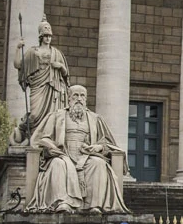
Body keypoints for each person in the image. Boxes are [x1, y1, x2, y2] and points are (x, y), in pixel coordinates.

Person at [29, 85, 129, 213]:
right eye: (75, 95)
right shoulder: (56, 116)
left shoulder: (95, 119)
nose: (79, 99)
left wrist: (98, 147)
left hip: (85, 156)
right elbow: (42, 139)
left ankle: (94, 206)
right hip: (63, 154)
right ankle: (63, 202)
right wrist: (53, 148)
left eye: (82, 96)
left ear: (86, 99)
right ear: (69, 98)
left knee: (98, 164)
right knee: (57, 164)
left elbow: (108, 143)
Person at [13, 17, 70, 144]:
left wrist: (60, 66)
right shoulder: (33, 52)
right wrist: (18, 48)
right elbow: (18, 65)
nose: (48, 38)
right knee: (34, 115)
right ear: (41, 37)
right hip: (38, 86)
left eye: (49, 36)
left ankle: (46, 140)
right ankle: (32, 138)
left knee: (52, 117)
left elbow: (66, 75)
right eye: (45, 36)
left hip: (53, 88)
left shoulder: (57, 53)